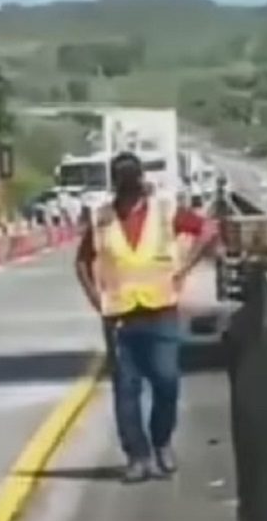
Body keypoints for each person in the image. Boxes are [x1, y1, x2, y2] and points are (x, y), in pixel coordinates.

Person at [74, 151, 216, 483]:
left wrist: (185, 267)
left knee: (167, 379)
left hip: (161, 309)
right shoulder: (101, 219)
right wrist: (96, 298)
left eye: (130, 184)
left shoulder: (165, 211)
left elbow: (207, 229)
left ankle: (162, 441)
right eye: (120, 185)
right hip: (120, 316)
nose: (126, 192)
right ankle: (137, 457)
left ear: (139, 182)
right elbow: (82, 262)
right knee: (127, 388)